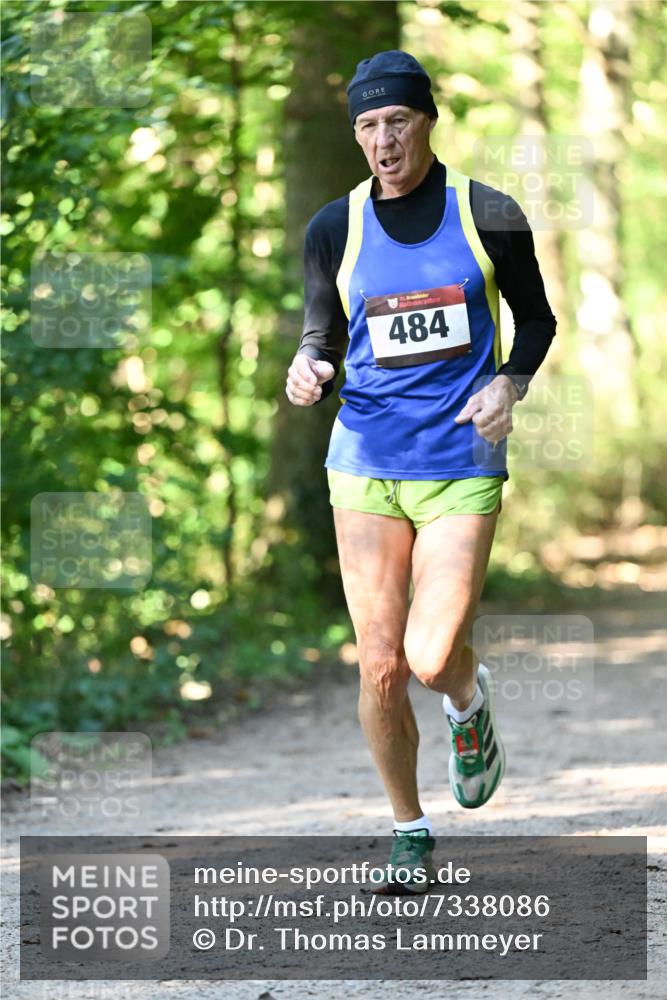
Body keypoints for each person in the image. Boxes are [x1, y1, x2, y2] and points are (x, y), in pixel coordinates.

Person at [285, 50, 556, 893]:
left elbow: (537, 322)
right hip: (363, 459)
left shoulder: (487, 212)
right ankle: (409, 829)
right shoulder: (335, 226)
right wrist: (306, 370)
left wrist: (507, 385)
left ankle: (466, 708)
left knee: (432, 656)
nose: (382, 139)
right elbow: (320, 338)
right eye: (366, 125)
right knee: (377, 663)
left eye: (395, 120)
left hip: (459, 459)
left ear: (425, 120)